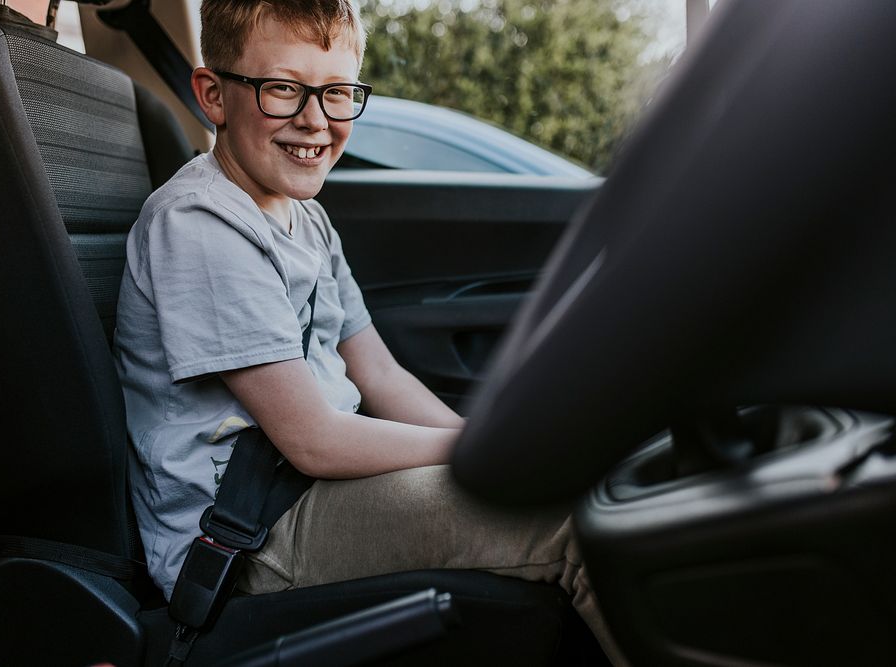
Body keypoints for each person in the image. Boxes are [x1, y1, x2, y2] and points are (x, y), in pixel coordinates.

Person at [113, 1, 622, 663]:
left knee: (598, 488)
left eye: (337, 93)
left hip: (305, 495)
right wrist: (483, 452)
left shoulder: (308, 219)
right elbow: (313, 441)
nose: (316, 119)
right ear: (214, 94)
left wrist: (480, 444)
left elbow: (379, 375)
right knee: (578, 520)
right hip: (247, 535)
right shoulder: (199, 222)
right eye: (284, 88)